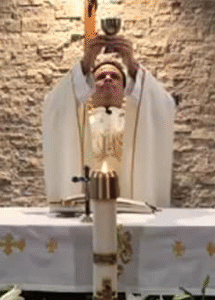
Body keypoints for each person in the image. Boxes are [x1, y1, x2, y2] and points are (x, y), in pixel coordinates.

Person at [42, 34, 175, 208]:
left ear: (126, 88)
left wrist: (132, 65)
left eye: (115, 76)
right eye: (100, 76)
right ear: (88, 86)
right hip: (86, 206)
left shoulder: (137, 124)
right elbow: (53, 106)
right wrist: (85, 63)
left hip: (131, 204)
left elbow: (164, 106)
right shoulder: (77, 122)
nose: (107, 78)